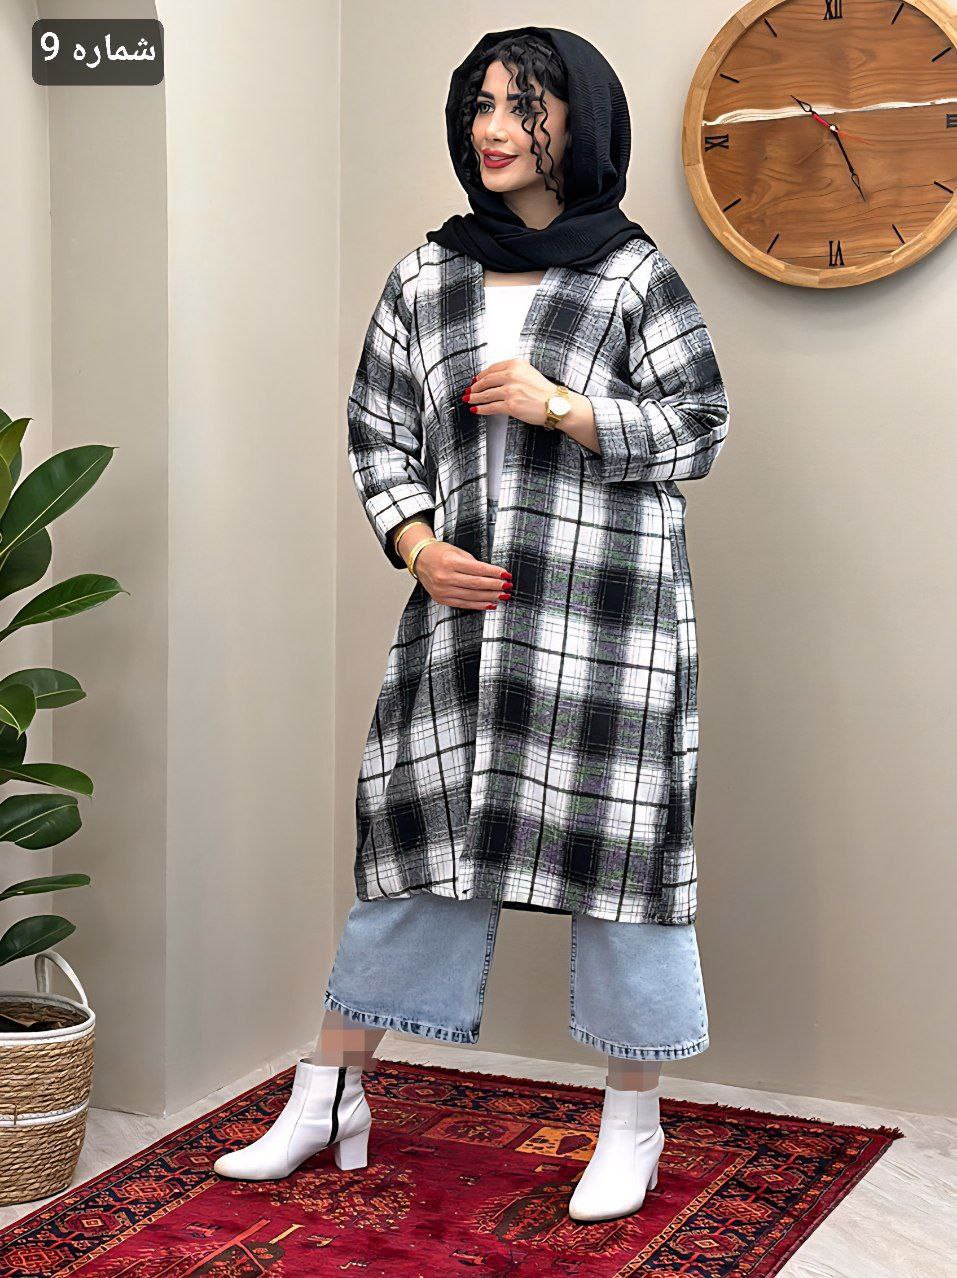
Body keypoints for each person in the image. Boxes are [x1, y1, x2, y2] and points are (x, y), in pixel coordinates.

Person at [214, 25, 729, 1224]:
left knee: (622, 868)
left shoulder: (634, 276)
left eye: (524, 106)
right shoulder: (426, 276)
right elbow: (376, 432)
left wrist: (567, 406)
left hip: (610, 625)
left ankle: (633, 1125)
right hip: (463, 620)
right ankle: (329, 1093)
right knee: (413, 844)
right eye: (481, 105)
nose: (495, 129)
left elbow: (700, 426)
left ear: (579, 121)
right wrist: (415, 545)